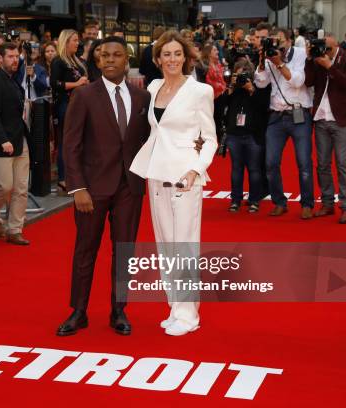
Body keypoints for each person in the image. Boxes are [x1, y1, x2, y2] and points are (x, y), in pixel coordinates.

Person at [56, 36, 151, 337]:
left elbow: (149, 141)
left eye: (117, 55)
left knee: (124, 252)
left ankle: (119, 310)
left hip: (129, 187)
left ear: (127, 60)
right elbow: (70, 146)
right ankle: (79, 311)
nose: (110, 59)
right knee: (86, 250)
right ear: (97, 60)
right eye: (104, 55)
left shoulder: (142, 98)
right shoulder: (84, 96)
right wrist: (77, 188)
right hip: (92, 189)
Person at [130, 31, 217, 336]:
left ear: (186, 57)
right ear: (157, 59)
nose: (172, 59)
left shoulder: (200, 92)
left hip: (184, 176)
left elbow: (210, 139)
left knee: (185, 245)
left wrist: (195, 169)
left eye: (177, 54)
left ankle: (189, 314)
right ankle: (175, 307)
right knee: (166, 245)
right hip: (156, 173)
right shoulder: (153, 88)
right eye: (166, 54)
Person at [255, 28, 314, 219]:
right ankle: (279, 202)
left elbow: (297, 81)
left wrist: (279, 63)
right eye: (273, 40)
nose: (276, 44)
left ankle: (307, 204)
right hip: (276, 116)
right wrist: (262, 63)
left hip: (299, 115)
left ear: (289, 40)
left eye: (279, 40)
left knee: (304, 163)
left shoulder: (300, 54)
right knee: (270, 163)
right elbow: (261, 83)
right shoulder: (269, 56)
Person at [305, 33, 346, 224]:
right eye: (322, 48)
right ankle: (327, 203)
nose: (324, 51)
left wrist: (330, 65)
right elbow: (309, 81)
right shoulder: (318, 58)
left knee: (343, 163)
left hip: (342, 118)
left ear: (335, 46)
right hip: (321, 118)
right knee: (322, 164)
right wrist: (309, 59)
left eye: (327, 48)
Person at [0, 42, 31, 245]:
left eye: (16, 56)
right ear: (0, 58)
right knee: (5, 186)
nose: (14, 60)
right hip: (1, 143)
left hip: (20, 140)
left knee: (21, 188)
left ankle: (15, 229)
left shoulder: (13, 80)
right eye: (10, 56)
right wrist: (3, 139)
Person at [219, 59, 270, 213]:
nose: (240, 79)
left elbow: (264, 107)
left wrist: (251, 89)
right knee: (236, 168)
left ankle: (254, 200)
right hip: (234, 133)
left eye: (243, 75)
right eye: (238, 74)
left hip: (253, 134)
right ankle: (235, 200)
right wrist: (231, 87)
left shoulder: (258, 88)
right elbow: (221, 106)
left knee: (254, 169)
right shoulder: (233, 89)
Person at [50, 29, 88, 195]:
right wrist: (77, 84)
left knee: (79, 142)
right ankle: (63, 180)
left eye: (77, 40)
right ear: (66, 41)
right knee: (66, 143)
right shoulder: (58, 61)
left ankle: (75, 176)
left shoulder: (77, 61)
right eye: (74, 40)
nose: (77, 43)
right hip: (65, 105)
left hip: (79, 104)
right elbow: (54, 84)